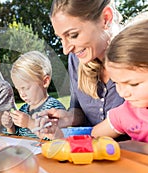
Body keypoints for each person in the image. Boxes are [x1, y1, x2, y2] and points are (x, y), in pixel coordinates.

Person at [34, 0, 127, 140]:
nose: (66, 50)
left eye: (73, 35)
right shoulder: (76, 58)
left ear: (106, 18)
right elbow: (79, 109)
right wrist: (67, 118)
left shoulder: (138, 58)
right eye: (61, 39)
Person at [91, 20, 148, 154]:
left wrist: (135, 146)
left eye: (133, 84)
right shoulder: (127, 112)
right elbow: (95, 135)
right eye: (116, 83)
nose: (122, 93)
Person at [1, 51, 66, 139]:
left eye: (26, 88)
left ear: (45, 81)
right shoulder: (24, 109)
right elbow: (16, 137)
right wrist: (10, 127)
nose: (22, 94)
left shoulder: (54, 109)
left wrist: (29, 123)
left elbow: (58, 138)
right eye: (18, 89)